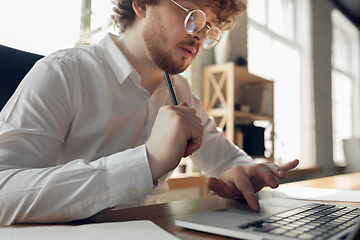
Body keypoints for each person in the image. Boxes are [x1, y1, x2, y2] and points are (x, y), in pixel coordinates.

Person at [0, 0, 299, 225]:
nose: (200, 36)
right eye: (192, 15)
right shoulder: (64, 72)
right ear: (142, 3)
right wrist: (147, 161)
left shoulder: (181, 94)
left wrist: (244, 173)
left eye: (209, 27)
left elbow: (227, 160)